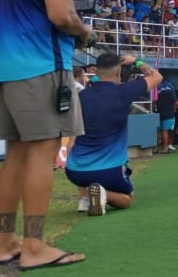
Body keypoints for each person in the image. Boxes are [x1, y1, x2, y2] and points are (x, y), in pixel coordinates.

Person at [0, 0, 93, 270]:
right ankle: (33, 246)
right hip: (39, 65)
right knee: (42, 155)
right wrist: (84, 32)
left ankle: (6, 242)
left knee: (14, 153)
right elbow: (60, 14)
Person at [66, 53, 162, 215]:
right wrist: (136, 61)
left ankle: (83, 199)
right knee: (127, 198)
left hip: (75, 172)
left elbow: (71, 140)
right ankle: (103, 194)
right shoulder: (124, 91)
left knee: (81, 152)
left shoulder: (82, 95)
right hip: (109, 170)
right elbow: (156, 76)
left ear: (95, 71)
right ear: (118, 72)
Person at [156, 79, 177, 155]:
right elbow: (175, 102)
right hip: (168, 113)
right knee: (165, 131)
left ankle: (155, 149)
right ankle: (165, 149)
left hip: (159, 112)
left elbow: (155, 102)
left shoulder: (158, 90)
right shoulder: (170, 91)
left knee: (159, 131)